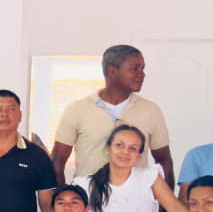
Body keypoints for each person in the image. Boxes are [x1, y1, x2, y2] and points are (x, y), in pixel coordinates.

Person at [51, 44, 174, 184]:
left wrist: (165, 205)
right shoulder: (77, 110)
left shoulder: (151, 110)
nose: (142, 74)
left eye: (142, 68)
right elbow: (57, 162)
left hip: (135, 202)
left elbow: (164, 162)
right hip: (88, 200)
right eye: (135, 69)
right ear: (112, 71)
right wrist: (60, 200)